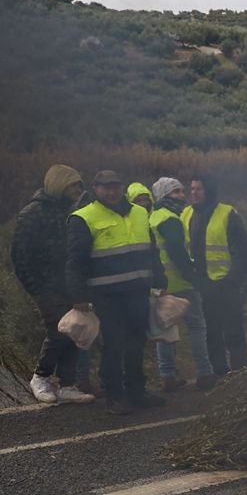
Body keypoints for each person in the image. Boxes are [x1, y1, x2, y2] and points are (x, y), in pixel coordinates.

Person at [67, 169, 165, 416]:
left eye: (115, 186)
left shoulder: (140, 213)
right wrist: (78, 295)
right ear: (96, 189)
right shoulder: (83, 217)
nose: (111, 192)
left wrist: (160, 278)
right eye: (105, 187)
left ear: (121, 187)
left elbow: (152, 250)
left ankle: (137, 392)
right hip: (106, 295)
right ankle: (114, 395)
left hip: (138, 290)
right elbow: (75, 261)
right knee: (113, 346)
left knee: (137, 343)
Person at [9, 164, 96, 405]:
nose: (79, 189)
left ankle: (67, 384)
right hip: (46, 286)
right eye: (73, 185)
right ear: (60, 185)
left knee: (75, 329)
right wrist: (35, 288)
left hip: (69, 283)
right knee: (59, 330)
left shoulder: (73, 211)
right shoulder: (33, 213)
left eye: (80, 184)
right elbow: (20, 255)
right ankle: (41, 376)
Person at [149, 177, 215, 393]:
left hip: (161, 286)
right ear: (164, 196)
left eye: (181, 191)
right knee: (196, 326)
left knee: (165, 329)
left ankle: (167, 376)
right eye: (176, 192)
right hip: (180, 283)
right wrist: (194, 277)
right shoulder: (170, 219)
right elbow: (177, 252)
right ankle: (205, 372)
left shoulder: (152, 217)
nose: (182, 196)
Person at [184, 174, 247, 376]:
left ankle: (240, 368)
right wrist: (194, 279)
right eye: (192, 189)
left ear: (209, 191)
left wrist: (233, 280)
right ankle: (218, 369)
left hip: (226, 284)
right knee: (210, 331)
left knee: (233, 328)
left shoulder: (227, 213)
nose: (194, 193)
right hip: (202, 284)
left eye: (199, 189)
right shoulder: (186, 214)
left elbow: (244, 250)